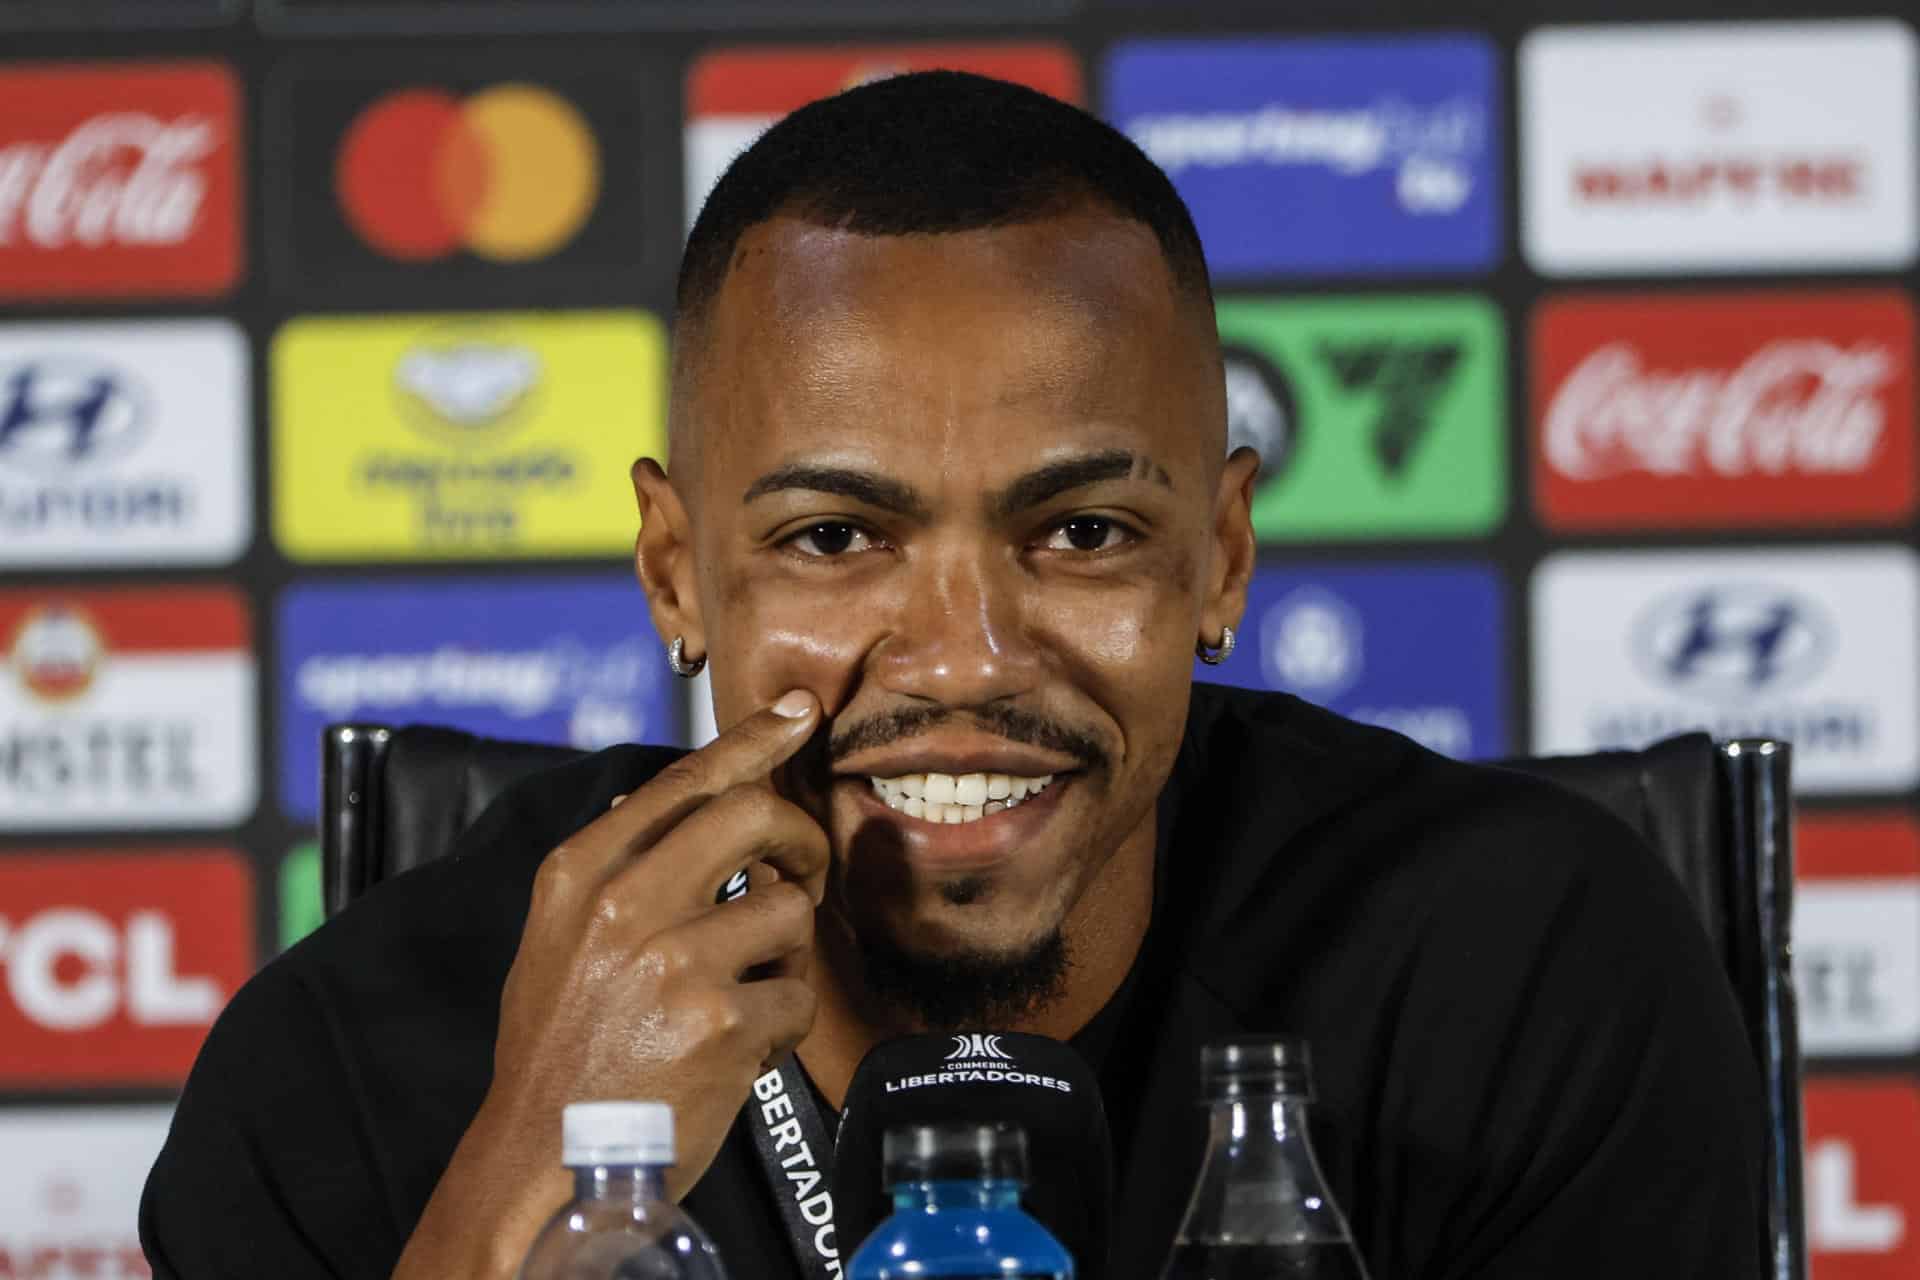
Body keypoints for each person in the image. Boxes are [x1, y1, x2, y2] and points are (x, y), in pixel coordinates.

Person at [140, 72, 1764, 1279]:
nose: (966, 658)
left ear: (1223, 559)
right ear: (674, 573)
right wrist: (530, 1180)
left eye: (1082, 534)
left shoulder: (1524, 974)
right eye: (838, 541)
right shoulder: (357, 1065)